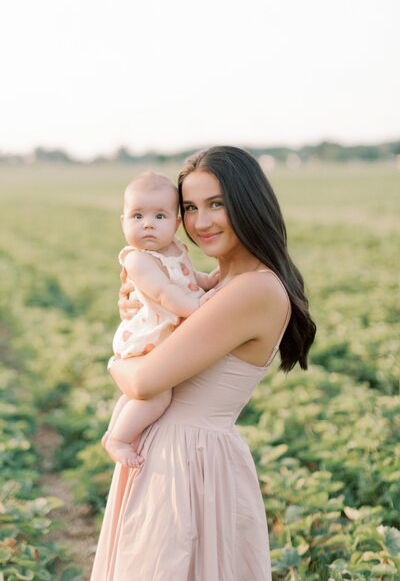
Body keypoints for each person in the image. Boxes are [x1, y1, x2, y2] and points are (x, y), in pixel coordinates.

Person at [90, 146, 316, 580]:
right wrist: (143, 313)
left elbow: (142, 382)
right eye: (190, 207)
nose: (201, 222)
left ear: (249, 202)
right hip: (170, 461)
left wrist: (116, 363)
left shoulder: (254, 290)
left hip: (188, 469)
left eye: (217, 204)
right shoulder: (219, 282)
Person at [102, 171, 218, 468]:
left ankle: (114, 433)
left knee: (140, 394)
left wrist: (208, 280)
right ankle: (119, 438)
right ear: (123, 222)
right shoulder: (138, 259)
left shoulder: (176, 249)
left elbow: (188, 278)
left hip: (164, 334)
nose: (148, 224)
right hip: (148, 336)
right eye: (137, 216)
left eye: (159, 216)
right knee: (158, 395)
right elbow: (165, 293)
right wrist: (196, 307)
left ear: (176, 224)